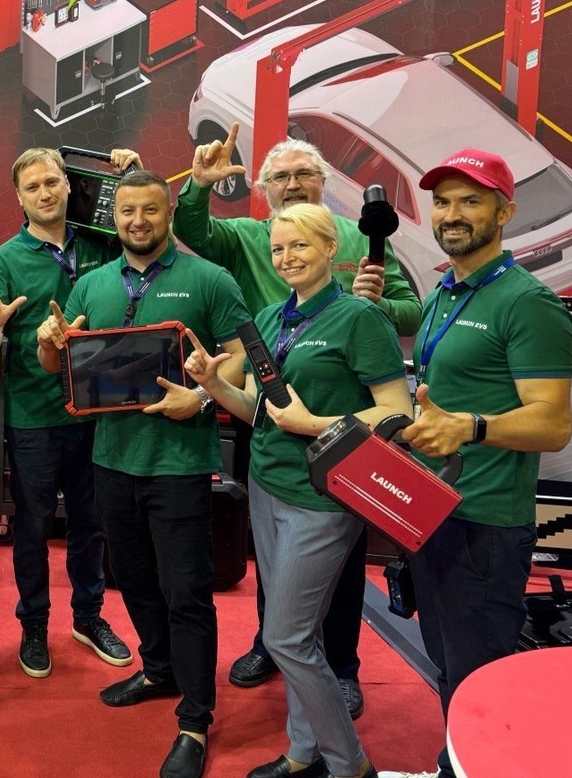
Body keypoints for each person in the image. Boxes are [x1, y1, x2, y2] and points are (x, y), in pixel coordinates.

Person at [176, 124, 422, 715]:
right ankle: (274, 643)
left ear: (322, 184)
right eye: (280, 176)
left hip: (337, 445)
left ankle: (341, 666)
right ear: (263, 190)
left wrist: (375, 305)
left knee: (339, 568)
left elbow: (409, 312)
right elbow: (193, 229)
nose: (292, 184)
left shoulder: (359, 237)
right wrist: (198, 186)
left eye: (303, 174)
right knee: (274, 562)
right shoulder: (247, 238)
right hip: (270, 432)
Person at [40, 170, 249, 778]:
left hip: (179, 465)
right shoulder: (92, 283)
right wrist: (51, 342)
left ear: (167, 213)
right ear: (115, 216)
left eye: (150, 210)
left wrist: (203, 396)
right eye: (128, 211)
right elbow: (56, 360)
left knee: (186, 592)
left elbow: (244, 354)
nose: (138, 221)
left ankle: (195, 720)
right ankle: (159, 669)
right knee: (131, 579)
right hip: (110, 460)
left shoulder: (209, 279)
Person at [378, 150, 572, 778]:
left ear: (504, 212)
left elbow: (554, 424)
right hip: (434, 513)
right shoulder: (443, 292)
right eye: (442, 202)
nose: (452, 214)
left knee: (479, 677)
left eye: (471, 201)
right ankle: (453, 766)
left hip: (486, 525)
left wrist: (471, 426)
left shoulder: (528, 302)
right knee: (448, 663)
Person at [0, 147, 141, 678]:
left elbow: (147, 222)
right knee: (33, 528)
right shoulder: (3, 262)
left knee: (91, 525)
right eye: (33, 187)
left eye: (52, 182)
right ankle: (34, 625)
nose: (44, 193)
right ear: (19, 199)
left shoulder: (102, 243)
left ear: (69, 185)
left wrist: (131, 175)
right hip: (35, 417)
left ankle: (88, 617)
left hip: (99, 412)